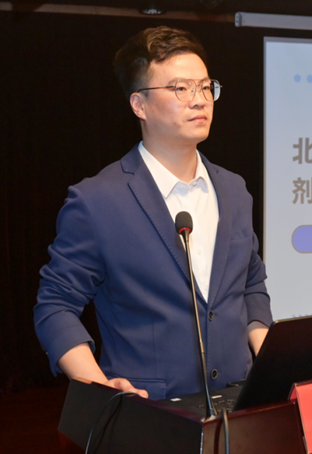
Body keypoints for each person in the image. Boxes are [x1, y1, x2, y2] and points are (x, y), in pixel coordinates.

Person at [33, 26, 272, 400]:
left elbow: (251, 286)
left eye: (206, 87)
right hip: (149, 412)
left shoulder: (234, 190)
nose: (199, 100)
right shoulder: (97, 201)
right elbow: (55, 305)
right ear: (139, 105)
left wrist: (272, 361)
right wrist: (98, 386)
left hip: (241, 402)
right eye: (181, 89)